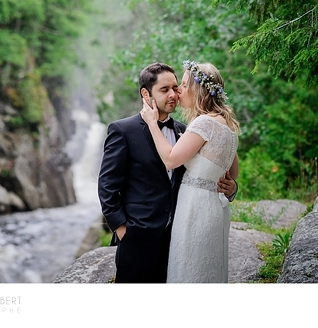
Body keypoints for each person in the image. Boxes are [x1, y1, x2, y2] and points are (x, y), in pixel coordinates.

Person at [98, 62, 237, 283]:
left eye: (176, 87)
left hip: (180, 234)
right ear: (146, 94)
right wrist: (122, 229)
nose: (173, 94)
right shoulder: (123, 130)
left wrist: (231, 187)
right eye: (165, 90)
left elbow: (216, 168)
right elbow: (107, 186)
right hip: (138, 237)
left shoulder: (187, 130)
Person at [140, 60, 239, 283]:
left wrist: (152, 123)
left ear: (197, 89)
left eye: (183, 85)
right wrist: (232, 187)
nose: (178, 91)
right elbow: (233, 172)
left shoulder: (203, 123)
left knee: (189, 268)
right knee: (207, 268)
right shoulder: (226, 125)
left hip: (195, 207)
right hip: (215, 208)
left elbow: (171, 160)